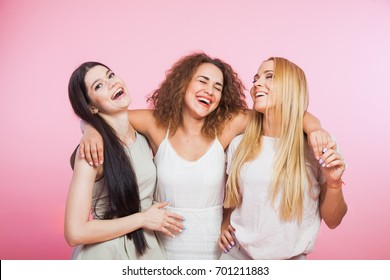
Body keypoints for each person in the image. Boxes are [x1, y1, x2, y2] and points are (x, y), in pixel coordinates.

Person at [80, 52, 331, 259]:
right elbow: (108, 116)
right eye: (202, 81)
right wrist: (90, 130)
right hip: (162, 250)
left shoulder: (227, 126)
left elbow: (287, 111)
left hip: (213, 251)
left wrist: (315, 127)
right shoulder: (156, 124)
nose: (209, 91)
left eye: (217, 87)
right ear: (184, 84)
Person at [219, 57, 348, 260]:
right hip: (235, 259)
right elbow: (232, 200)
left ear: (291, 87)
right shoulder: (238, 144)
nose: (256, 84)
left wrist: (334, 183)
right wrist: (224, 223)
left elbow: (333, 220)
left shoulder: (318, 145)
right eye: (256, 78)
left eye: (269, 77)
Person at [65, 61, 184, 260]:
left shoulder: (142, 135)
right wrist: (143, 219)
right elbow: (75, 232)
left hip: (146, 248)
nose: (111, 83)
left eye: (110, 75)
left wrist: (88, 126)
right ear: (91, 107)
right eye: (99, 85)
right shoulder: (92, 150)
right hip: (106, 252)